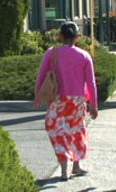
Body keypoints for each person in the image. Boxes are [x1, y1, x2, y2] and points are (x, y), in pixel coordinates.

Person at [34, 21, 98, 181]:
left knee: (57, 131)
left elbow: (41, 75)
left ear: (60, 35)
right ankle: (76, 166)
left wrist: (38, 96)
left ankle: (64, 170)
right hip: (77, 100)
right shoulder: (84, 56)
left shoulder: (51, 52)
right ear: (78, 37)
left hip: (58, 100)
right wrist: (94, 104)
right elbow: (91, 83)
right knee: (77, 131)